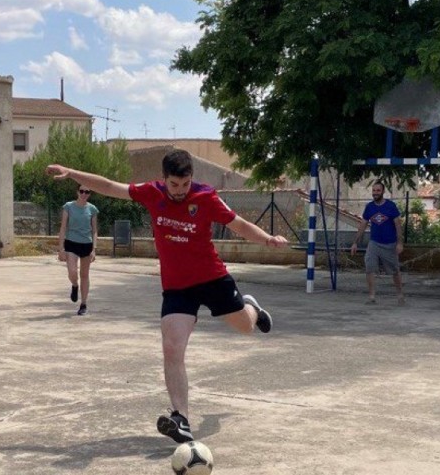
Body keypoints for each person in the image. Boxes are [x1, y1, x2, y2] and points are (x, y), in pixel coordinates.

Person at [46, 150, 288, 444]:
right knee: (172, 348)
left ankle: (252, 307)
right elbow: (110, 186)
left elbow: (237, 223)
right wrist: (72, 172)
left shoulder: (205, 197)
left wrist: (268, 239)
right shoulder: (151, 193)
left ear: (191, 180)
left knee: (246, 327)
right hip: (177, 287)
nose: (179, 191)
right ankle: (181, 418)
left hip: (212, 278)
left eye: (184, 185)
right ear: (164, 179)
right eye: (174, 185)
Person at [350, 181, 405, 305]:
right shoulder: (369, 207)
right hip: (374, 243)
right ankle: (372, 297)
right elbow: (363, 225)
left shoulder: (391, 206)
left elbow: (398, 225)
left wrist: (399, 243)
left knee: (395, 271)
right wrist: (355, 242)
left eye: (378, 190)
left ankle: (400, 294)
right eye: (374, 190)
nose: (375, 193)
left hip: (389, 244)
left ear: (383, 192)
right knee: (369, 268)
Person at [57, 184, 98, 316]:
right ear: (77, 192)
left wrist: (94, 249)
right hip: (71, 243)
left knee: (85, 275)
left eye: (87, 192)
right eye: (82, 191)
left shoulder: (92, 209)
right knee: (72, 271)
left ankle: (84, 304)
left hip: (86, 244)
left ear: (89, 194)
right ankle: (74, 285)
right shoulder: (68, 207)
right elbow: (63, 227)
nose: (84, 194)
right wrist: (61, 248)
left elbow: (95, 231)